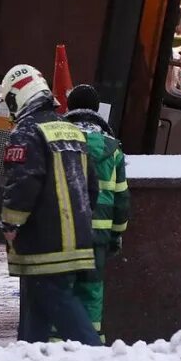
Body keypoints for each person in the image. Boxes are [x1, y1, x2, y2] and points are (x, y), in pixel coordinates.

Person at [0, 64, 100, 345]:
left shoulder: (26, 133)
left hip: (43, 244)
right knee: (36, 310)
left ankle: (99, 356)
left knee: (58, 302)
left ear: (18, 97)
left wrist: (10, 224)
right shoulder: (72, 130)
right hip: (76, 240)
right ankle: (27, 358)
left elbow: (22, 183)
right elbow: (92, 187)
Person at [65, 84, 131, 342]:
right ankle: (91, 343)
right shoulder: (112, 148)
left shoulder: (59, 141)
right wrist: (116, 236)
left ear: (69, 108)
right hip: (99, 235)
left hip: (65, 231)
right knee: (92, 292)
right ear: (96, 110)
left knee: (63, 289)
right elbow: (121, 199)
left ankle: (57, 344)